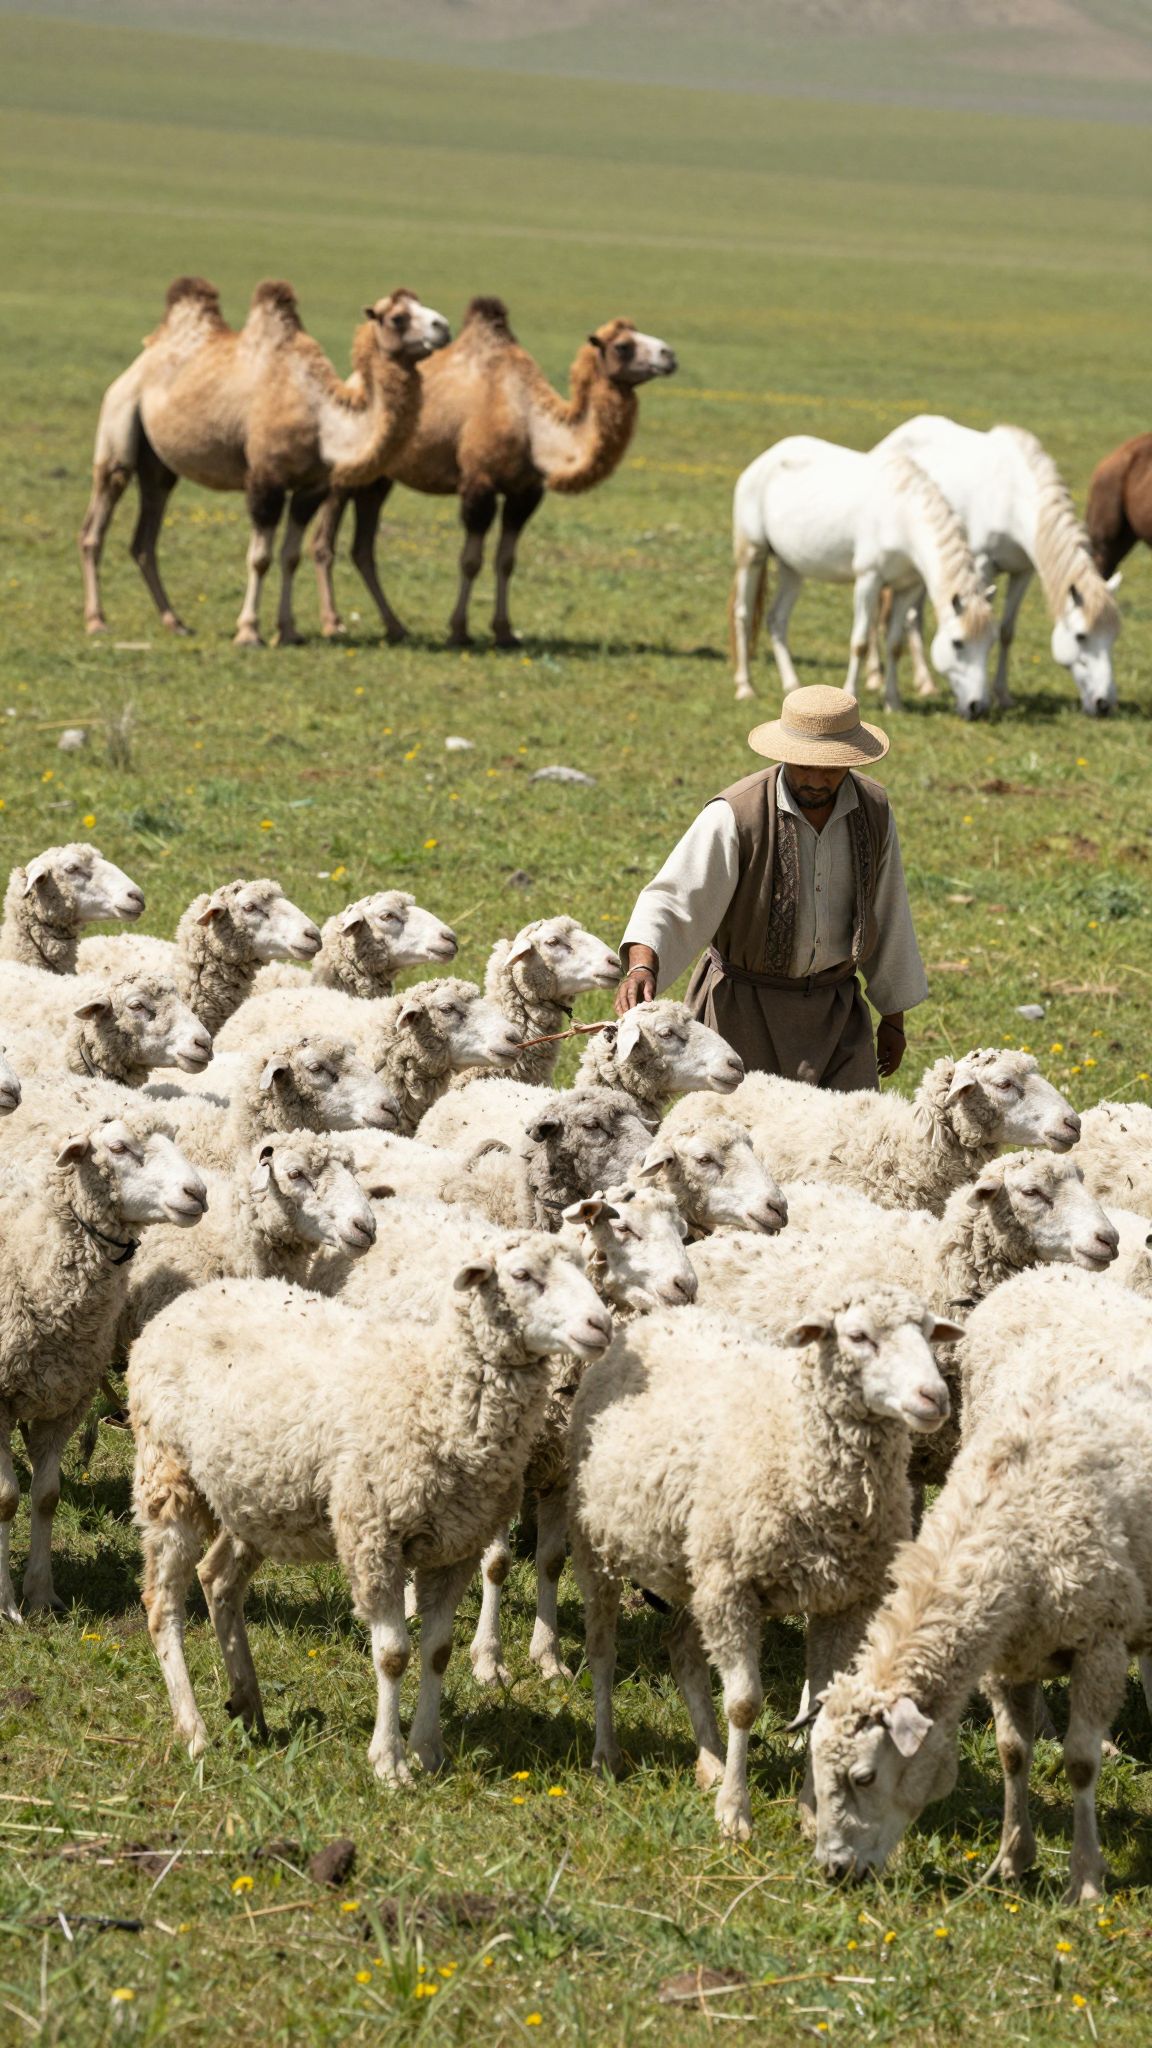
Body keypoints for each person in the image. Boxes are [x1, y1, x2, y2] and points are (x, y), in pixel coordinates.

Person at [616, 685, 927, 1090]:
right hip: (743, 1014)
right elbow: (675, 898)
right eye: (803, 766)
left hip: (836, 1016)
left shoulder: (873, 810)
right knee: (739, 1143)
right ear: (783, 755)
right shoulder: (737, 814)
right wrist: (642, 965)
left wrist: (894, 1018)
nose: (815, 780)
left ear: (850, 762)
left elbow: (889, 911)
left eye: (830, 769)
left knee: (843, 1145)